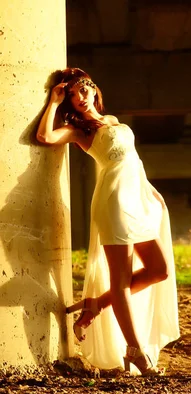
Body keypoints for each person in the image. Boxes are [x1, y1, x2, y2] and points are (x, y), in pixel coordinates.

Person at [36, 68, 180, 376]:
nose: (80, 98)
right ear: (69, 104)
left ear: (93, 89)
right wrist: (53, 102)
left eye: (83, 89)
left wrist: (151, 192)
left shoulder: (112, 121)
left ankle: (95, 307)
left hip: (137, 200)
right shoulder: (81, 132)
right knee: (121, 280)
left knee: (159, 270)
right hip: (113, 203)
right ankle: (135, 351)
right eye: (72, 96)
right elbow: (45, 136)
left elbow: (133, 162)